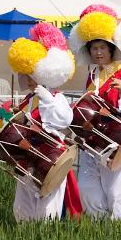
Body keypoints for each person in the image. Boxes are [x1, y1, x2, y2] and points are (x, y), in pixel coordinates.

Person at [67, 4, 121, 219]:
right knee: (86, 186)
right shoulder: (91, 75)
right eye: (94, 48)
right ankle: (98, 224)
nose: (99, 52)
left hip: (118, 139)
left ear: (112, 49)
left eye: (103, 47)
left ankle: (119, 228)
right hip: (92, 140)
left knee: (116, 189)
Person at [6, 21, 78, 221]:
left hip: (51, 157)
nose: (29, 80)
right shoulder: (28, 100)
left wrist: (47, 99)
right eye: (27, 75)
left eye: (33, 75)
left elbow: (65, 119)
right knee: (23, 206)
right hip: (28, 156)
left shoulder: (56, 97)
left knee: (47, 208)